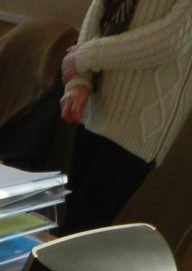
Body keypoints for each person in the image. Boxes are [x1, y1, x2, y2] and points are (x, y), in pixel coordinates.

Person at [59, 0, 192, 235]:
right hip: (94, 112)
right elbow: (98, 11)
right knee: (61, 225)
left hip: (139, 131)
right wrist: (79, 81)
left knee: (80, 232)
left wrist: (85, 57)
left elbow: (171, 41)